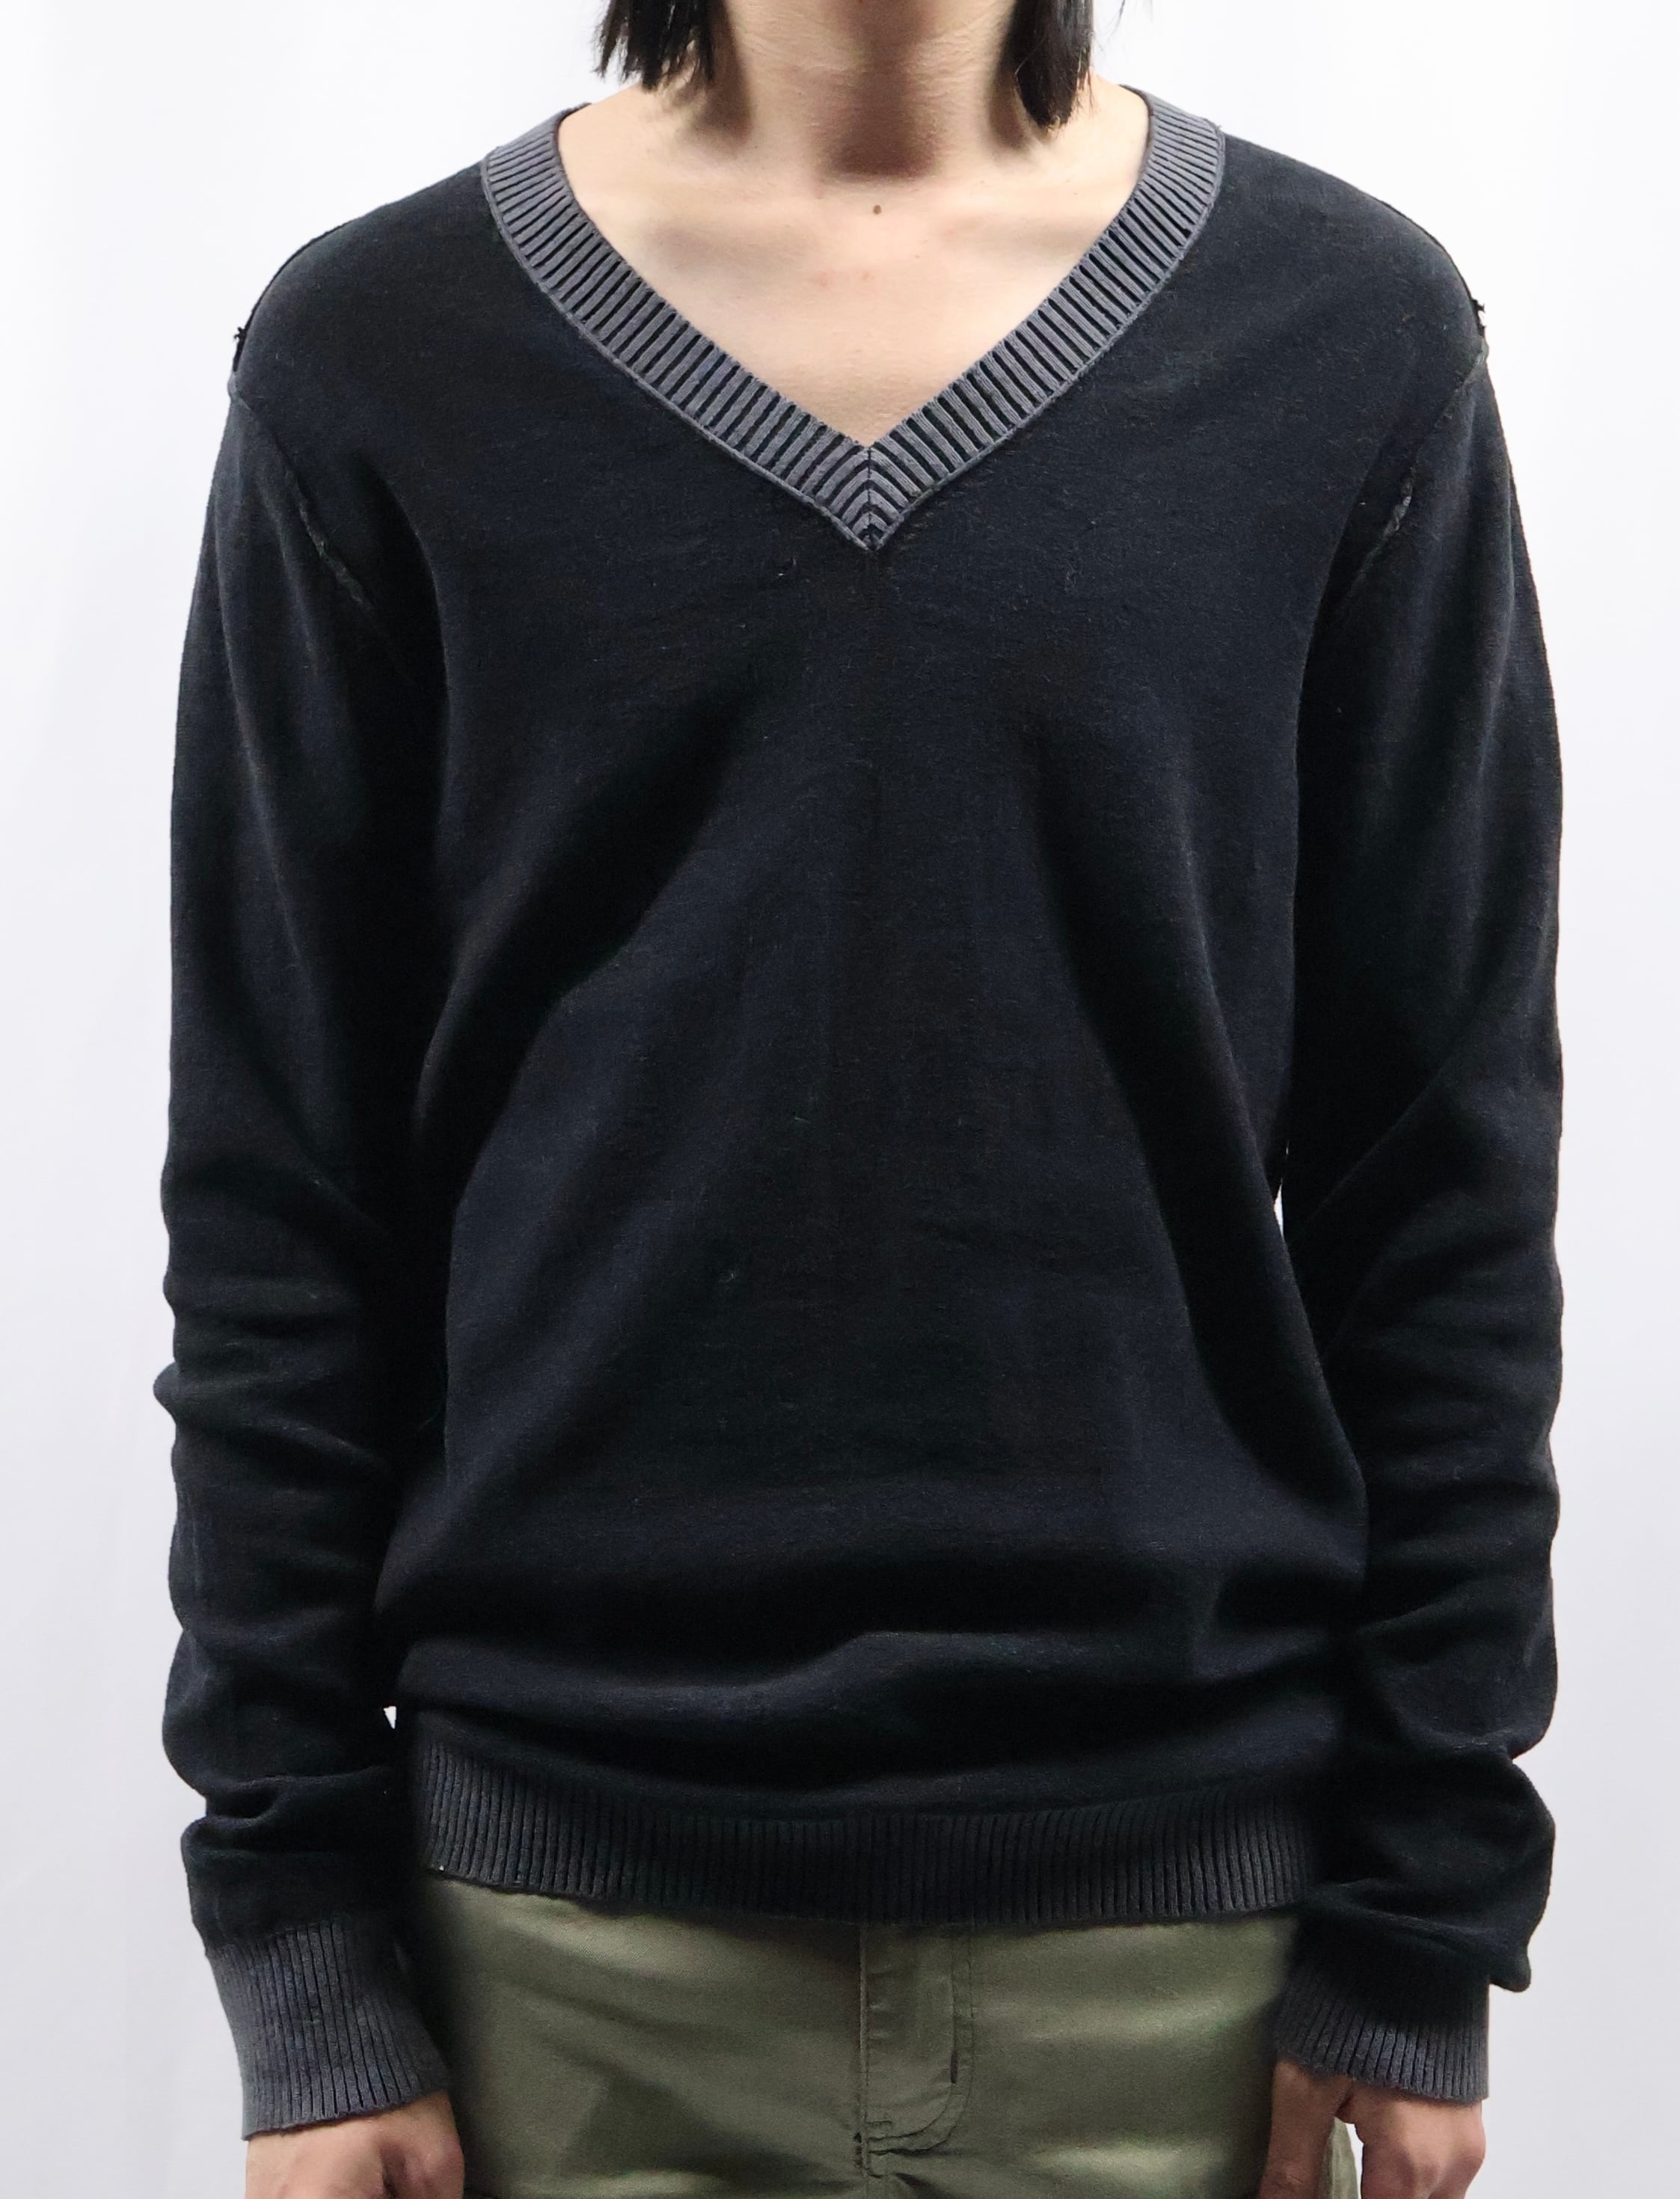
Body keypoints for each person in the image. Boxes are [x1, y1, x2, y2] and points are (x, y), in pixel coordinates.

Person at [155, 0, 1564, 2191]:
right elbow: (280, 1202)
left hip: (1187, 1964)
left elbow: (1443, 1184)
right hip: (555, 1956)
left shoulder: (1348, 341)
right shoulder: (381, 359)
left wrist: (1421, 1916)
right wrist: (307, 1966)